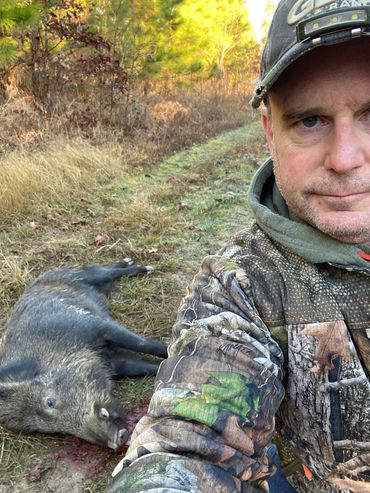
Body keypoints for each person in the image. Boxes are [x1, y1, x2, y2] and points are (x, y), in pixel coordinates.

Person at [109, 1, 370, 492]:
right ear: (271, 132)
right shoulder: (240, 287)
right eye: (310, 120)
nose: (344, 157)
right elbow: (188, 441)